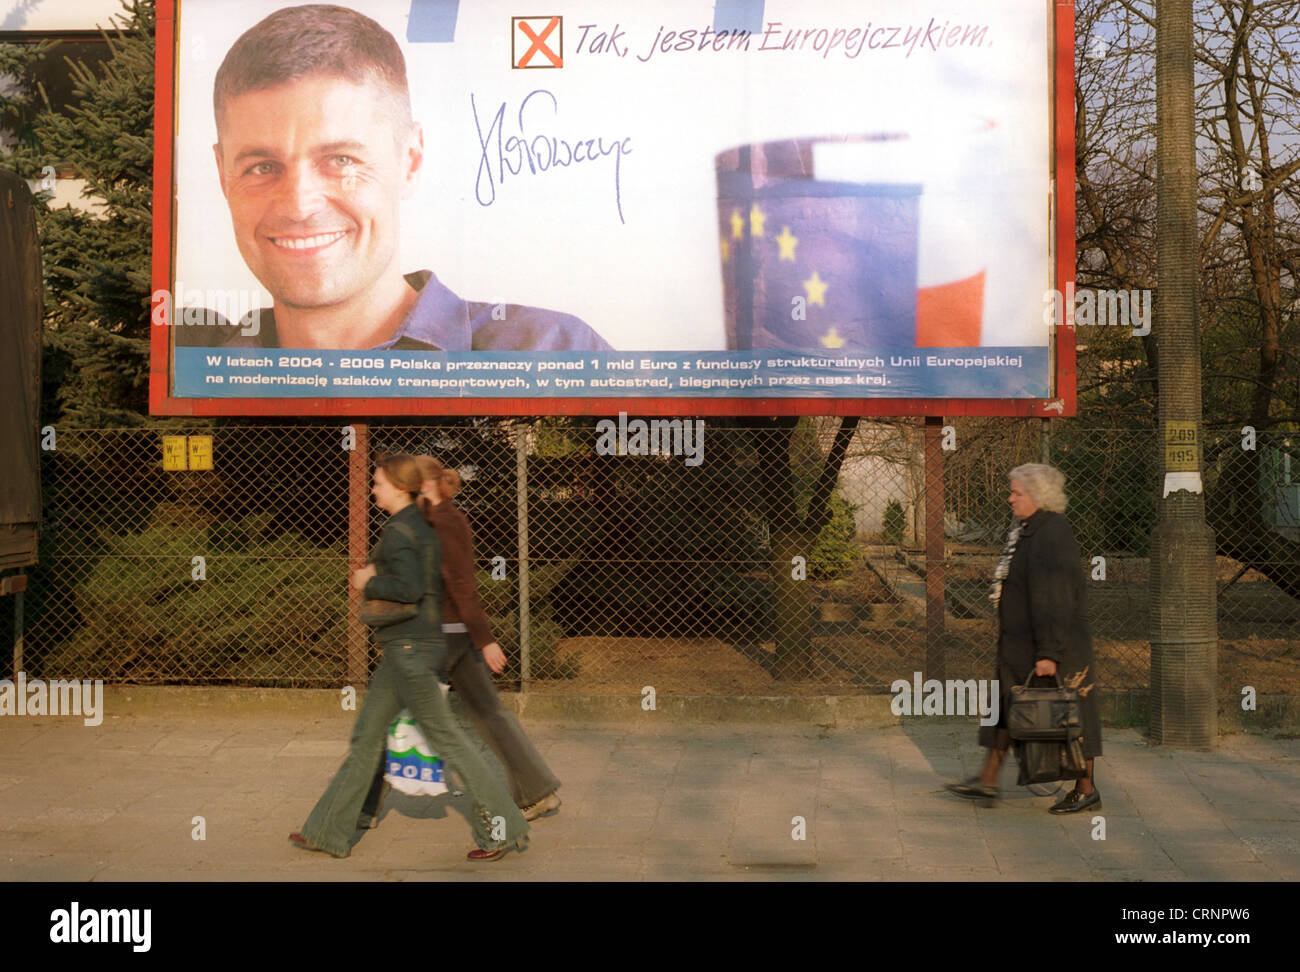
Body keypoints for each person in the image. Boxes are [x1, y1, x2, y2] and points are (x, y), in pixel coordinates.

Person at [180, 3, 610, 352]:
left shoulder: (554, 353)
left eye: (341, 160)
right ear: (222, 176)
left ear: (410, 161)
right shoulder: (186, 364)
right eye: (262, 167)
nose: (298, 204)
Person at [290, 453, 529, 861]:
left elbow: (411, 587)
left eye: (379, 483)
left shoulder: (402, 530)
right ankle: (327, 830)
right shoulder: (420, 523)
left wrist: (369, 579)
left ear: (400, 487)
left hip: (409, 653)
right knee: (366, 739)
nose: (374, 489)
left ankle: (502, 829)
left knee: (450, 744)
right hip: (409, 648)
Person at [359, 455, 562, 828]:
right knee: (486, 716)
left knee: (387, 716)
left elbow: (461, 584)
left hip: (436, 638)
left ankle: (363, 807)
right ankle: (537, 793)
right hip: (442, 636)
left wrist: (485, 641)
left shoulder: (444, 523)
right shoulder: (433, 519)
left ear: (428, 485)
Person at [945, 463, 1102, 813]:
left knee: (1070, 715)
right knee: (1005, 707)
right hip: (1021, 644)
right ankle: (987, 781)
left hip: (1052, 645)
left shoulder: (1052, 533)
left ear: (1038, 496)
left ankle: (1086, 788)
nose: (1010, 498)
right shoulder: (1028, 529)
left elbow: (1056, 596)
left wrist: (1049, 653)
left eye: (1017, 492)